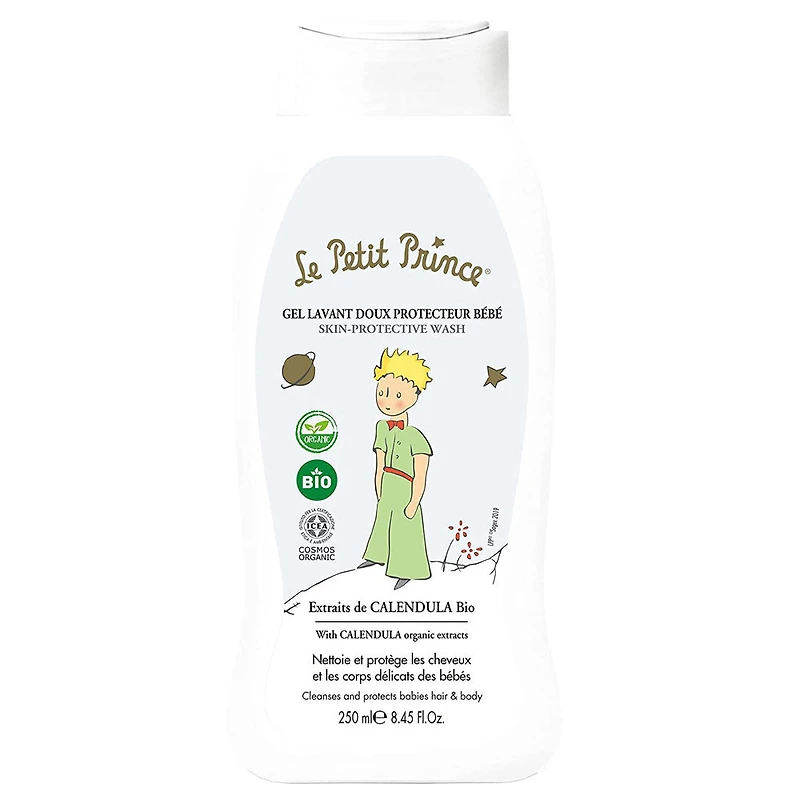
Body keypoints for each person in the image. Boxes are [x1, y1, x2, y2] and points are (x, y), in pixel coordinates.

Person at [358, 348, 433, 589]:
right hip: (387, 484)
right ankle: (377, 555)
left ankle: (407, 568)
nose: (387, 401)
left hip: (405, 487)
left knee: (405, 526)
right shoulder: (381, 427)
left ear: (415, 395)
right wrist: (378, 485)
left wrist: (414, 501)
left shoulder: (415, 437)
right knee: (382, 521)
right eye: (382, 392)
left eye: (397, 394)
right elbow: (379, 462)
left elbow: (420, 474)